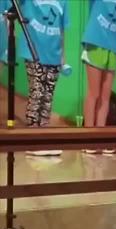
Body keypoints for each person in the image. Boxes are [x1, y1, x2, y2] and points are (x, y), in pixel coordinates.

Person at [18, 0, 68, 156]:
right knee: (37, 91)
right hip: (33, 51)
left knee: (48, 96)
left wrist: (63, 55)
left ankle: (44, 137)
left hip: (54, 54)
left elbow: (61, 29)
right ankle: (32, 139)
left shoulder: (63, 2)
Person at [81, 0, 116, 154]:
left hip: (113, 48)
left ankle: (100, 138)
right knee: (94, 93)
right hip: (95, 44)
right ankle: (87, 139)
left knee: (105, 96)